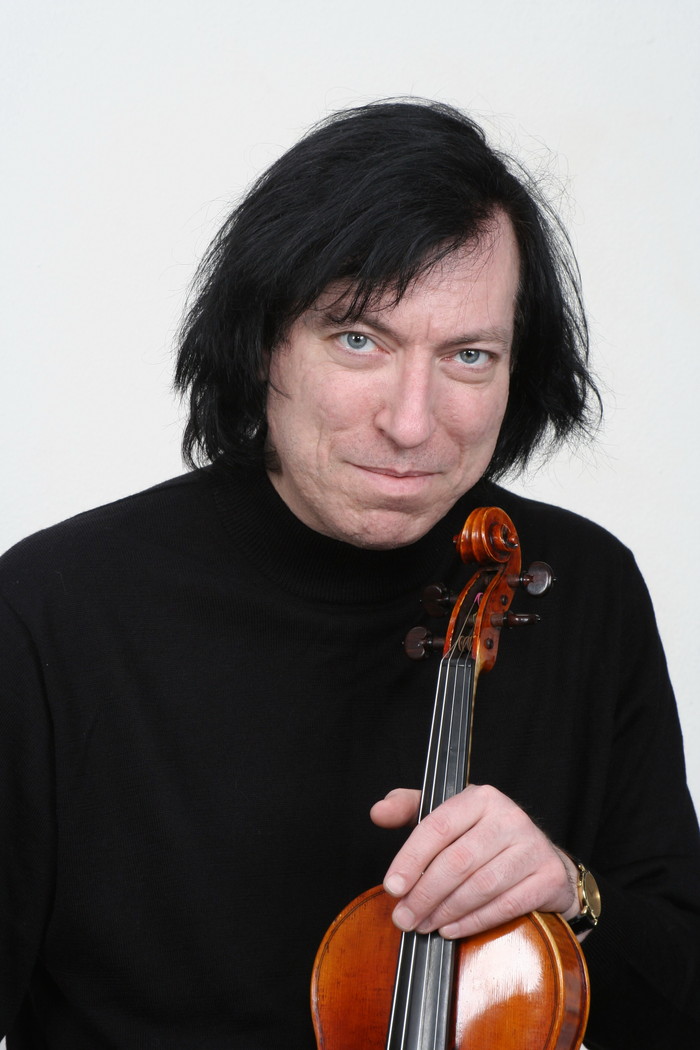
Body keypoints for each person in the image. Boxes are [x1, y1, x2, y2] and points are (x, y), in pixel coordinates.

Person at [1, 99, 698, 1050]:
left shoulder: (582, 585)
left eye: (469, 356)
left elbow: (680, 990)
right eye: (360, 340)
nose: (411, 422)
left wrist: (570, 894)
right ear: (263, 341)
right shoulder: (53, 611)